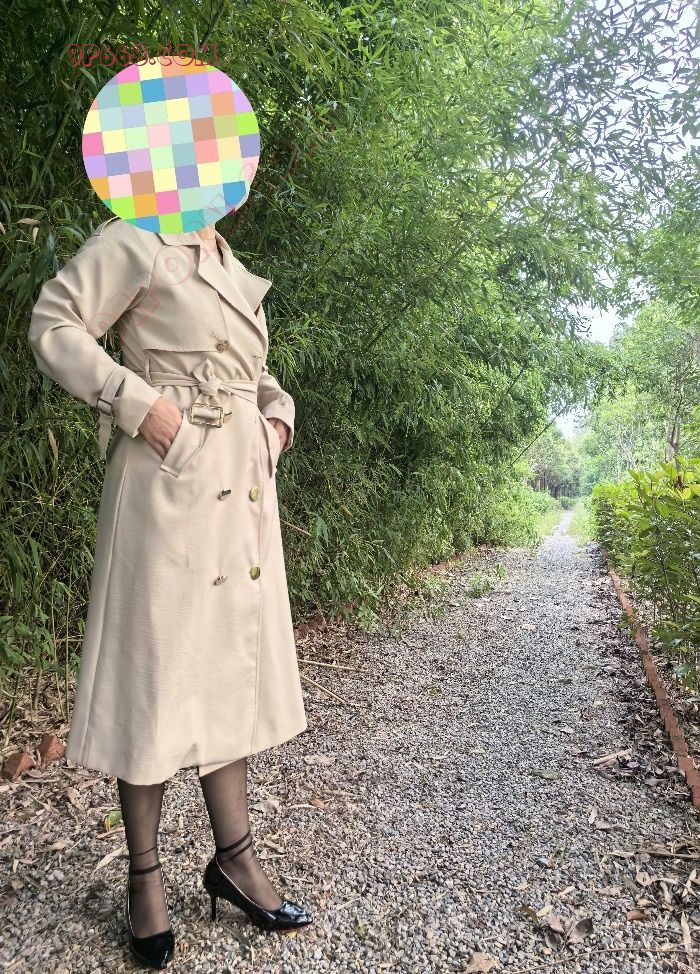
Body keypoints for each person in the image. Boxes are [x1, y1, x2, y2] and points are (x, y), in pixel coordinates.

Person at [28, 215, 313, 968]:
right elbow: (54, 324)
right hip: (166, 485)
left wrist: (276, 420)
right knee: (153, 676)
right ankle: (144, 876)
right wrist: (139, 405)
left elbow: (248, 371)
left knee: (226, 668)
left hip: (239, 494)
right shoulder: (135, 240)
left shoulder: (224, 256)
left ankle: (235, 858)